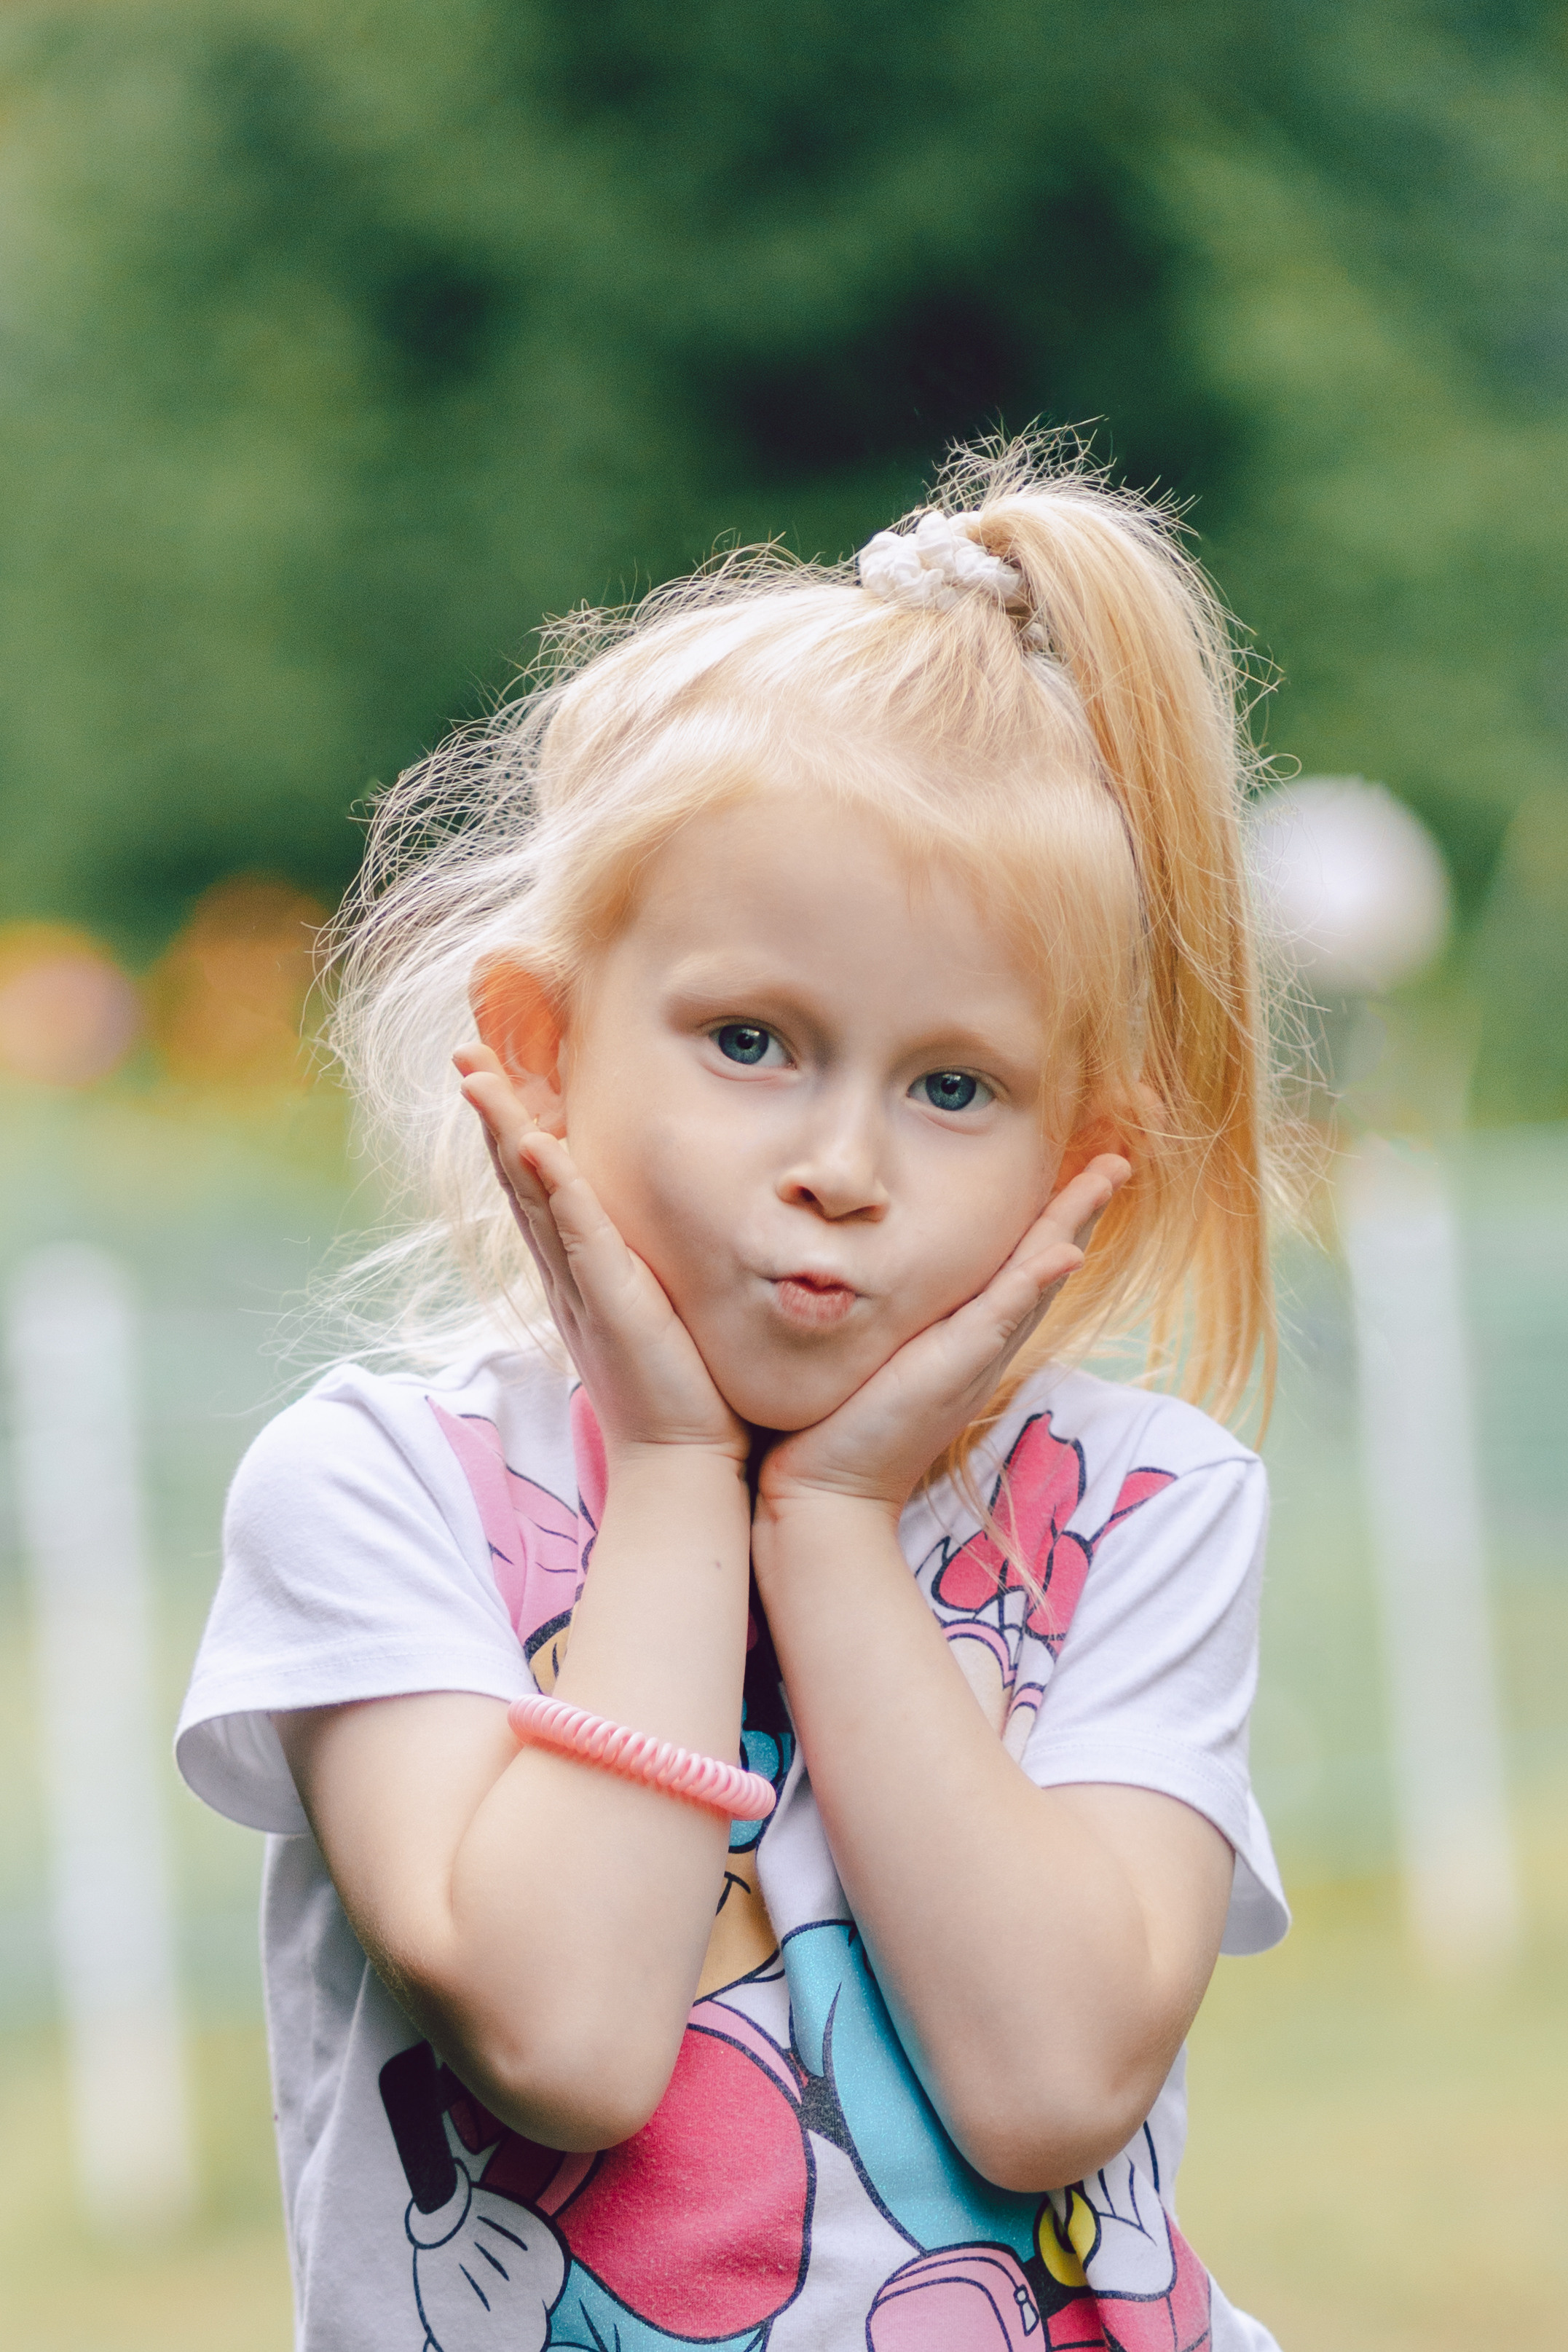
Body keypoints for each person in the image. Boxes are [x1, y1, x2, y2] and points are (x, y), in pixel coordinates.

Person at [178, 439, 1293, 2352]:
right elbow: (568, 2038)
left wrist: (839, 1526)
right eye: (751, 1041)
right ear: (539, 1045)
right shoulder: (381, 1488)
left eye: (953, 1087)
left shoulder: (1147, 1509)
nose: (841, 1163)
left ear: (1075, 1158)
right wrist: (688, 1473)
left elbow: (1045, 2086)